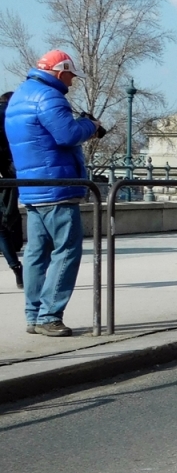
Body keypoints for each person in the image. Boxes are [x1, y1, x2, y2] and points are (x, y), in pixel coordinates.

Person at [6, 50, 100, 336]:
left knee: (37, 253)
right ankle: (50, 316)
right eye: (70, 76)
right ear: (60, 72)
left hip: (33, 188)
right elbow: (67, 135)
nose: (71, 82)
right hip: (57, 186)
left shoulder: (20, 96)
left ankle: (33, 316)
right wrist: (91, 126)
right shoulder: (49, 97)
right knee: (67, 250)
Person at [0, 91, 24, 287]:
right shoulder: (10, 116)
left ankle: (16, 267)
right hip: (7, 173)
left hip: (6, 172)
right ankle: (16, 268)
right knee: (4, 224)